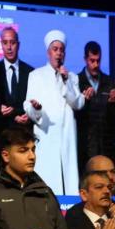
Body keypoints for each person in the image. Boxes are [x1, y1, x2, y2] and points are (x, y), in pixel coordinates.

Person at [24, 30, 85, 195]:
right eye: (55, 49)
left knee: (69, 181)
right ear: (48, 52)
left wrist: (66, 82)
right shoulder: (36, 75)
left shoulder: (72, 77)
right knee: (47, 178)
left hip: (67, 136)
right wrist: (36, 109)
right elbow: (28, 106)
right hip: (46, 134)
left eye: (61, 50)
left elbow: (78, 103)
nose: (59, 53)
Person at [76, 41, 115, 173]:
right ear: (85, 59)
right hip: (84, 147)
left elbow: (114, 119)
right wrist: (84, 101)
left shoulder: (109, 82)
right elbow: (74, 115)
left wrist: (113, 103)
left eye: (98, 60)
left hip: (106, 147)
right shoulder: (77, 81)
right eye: (92, 61)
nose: (96, 65)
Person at [0, 27, 33, 140]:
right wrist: (0, 111)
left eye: (12, 43)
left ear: (18, 45)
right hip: (1, 137)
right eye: (5, 43)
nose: (9, 47)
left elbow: (34, 105)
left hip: (24, 136)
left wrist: (29, 116)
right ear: (1, 45)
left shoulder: (31, 73)